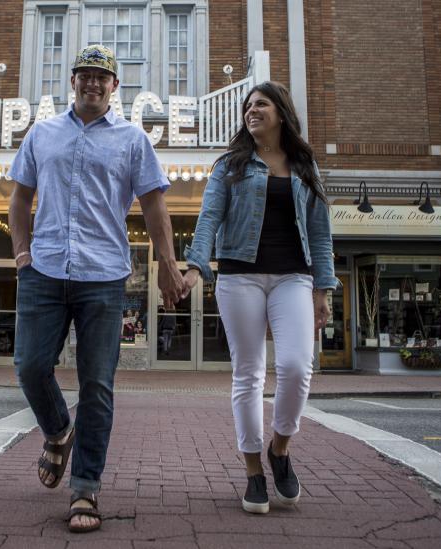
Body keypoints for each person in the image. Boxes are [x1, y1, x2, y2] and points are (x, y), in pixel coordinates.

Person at [7, 44, 186, 533]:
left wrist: (168, 264)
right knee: (30, 367)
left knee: (98, 387)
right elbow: (19, 199)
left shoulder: (133, 140)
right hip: (43, 272)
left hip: (104, 277)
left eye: (101, 77)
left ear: (114, 86)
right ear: (72, 82)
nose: (92, 83)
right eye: (84, 75)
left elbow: (154, 208)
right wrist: (22, 256)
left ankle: (85, 487)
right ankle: (58, 430)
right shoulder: (42, 133)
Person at [182, 81, 336, 514]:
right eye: (248, 106)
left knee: (295, 366)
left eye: (261, 104)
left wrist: (323, 290)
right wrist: (195, 266)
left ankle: (280, 450)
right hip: (239, 277)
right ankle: (253, 472)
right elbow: (209, 217)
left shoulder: (305, 165)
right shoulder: (231, 164)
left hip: (294, 277)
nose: (252, 110)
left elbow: (321, 233)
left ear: (281, 113)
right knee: (248, 375)